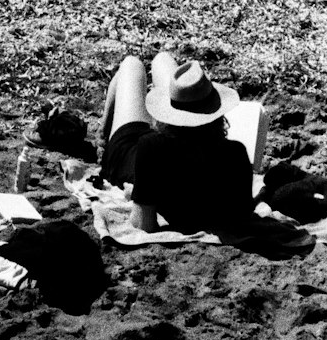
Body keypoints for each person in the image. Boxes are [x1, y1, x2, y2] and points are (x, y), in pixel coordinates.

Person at [100, 51, 254, 234]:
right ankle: (184, 92)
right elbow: (240, 216)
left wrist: (133, 194)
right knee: (163, 59)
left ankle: (102, 140)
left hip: (128, 153)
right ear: (216, 111)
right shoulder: (236, 153)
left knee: (132, 64)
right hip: (167, 151)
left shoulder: (151, 147)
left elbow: (143, 225)